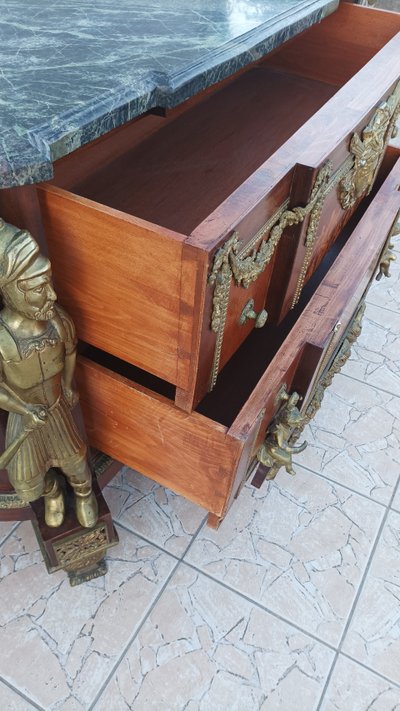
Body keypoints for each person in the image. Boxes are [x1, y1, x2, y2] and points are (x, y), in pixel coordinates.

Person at [0, 217, 98, 528]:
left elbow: (70, 350)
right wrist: (23, 409)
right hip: (26, 417)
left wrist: (67, 384)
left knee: (77, 461)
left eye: (49, 283)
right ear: (11, 291)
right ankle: (51, 491)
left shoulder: (58, 321)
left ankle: (84, 494)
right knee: (25, 481)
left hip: (57, 407)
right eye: (39, 289)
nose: (52, 296)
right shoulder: (2, 340)